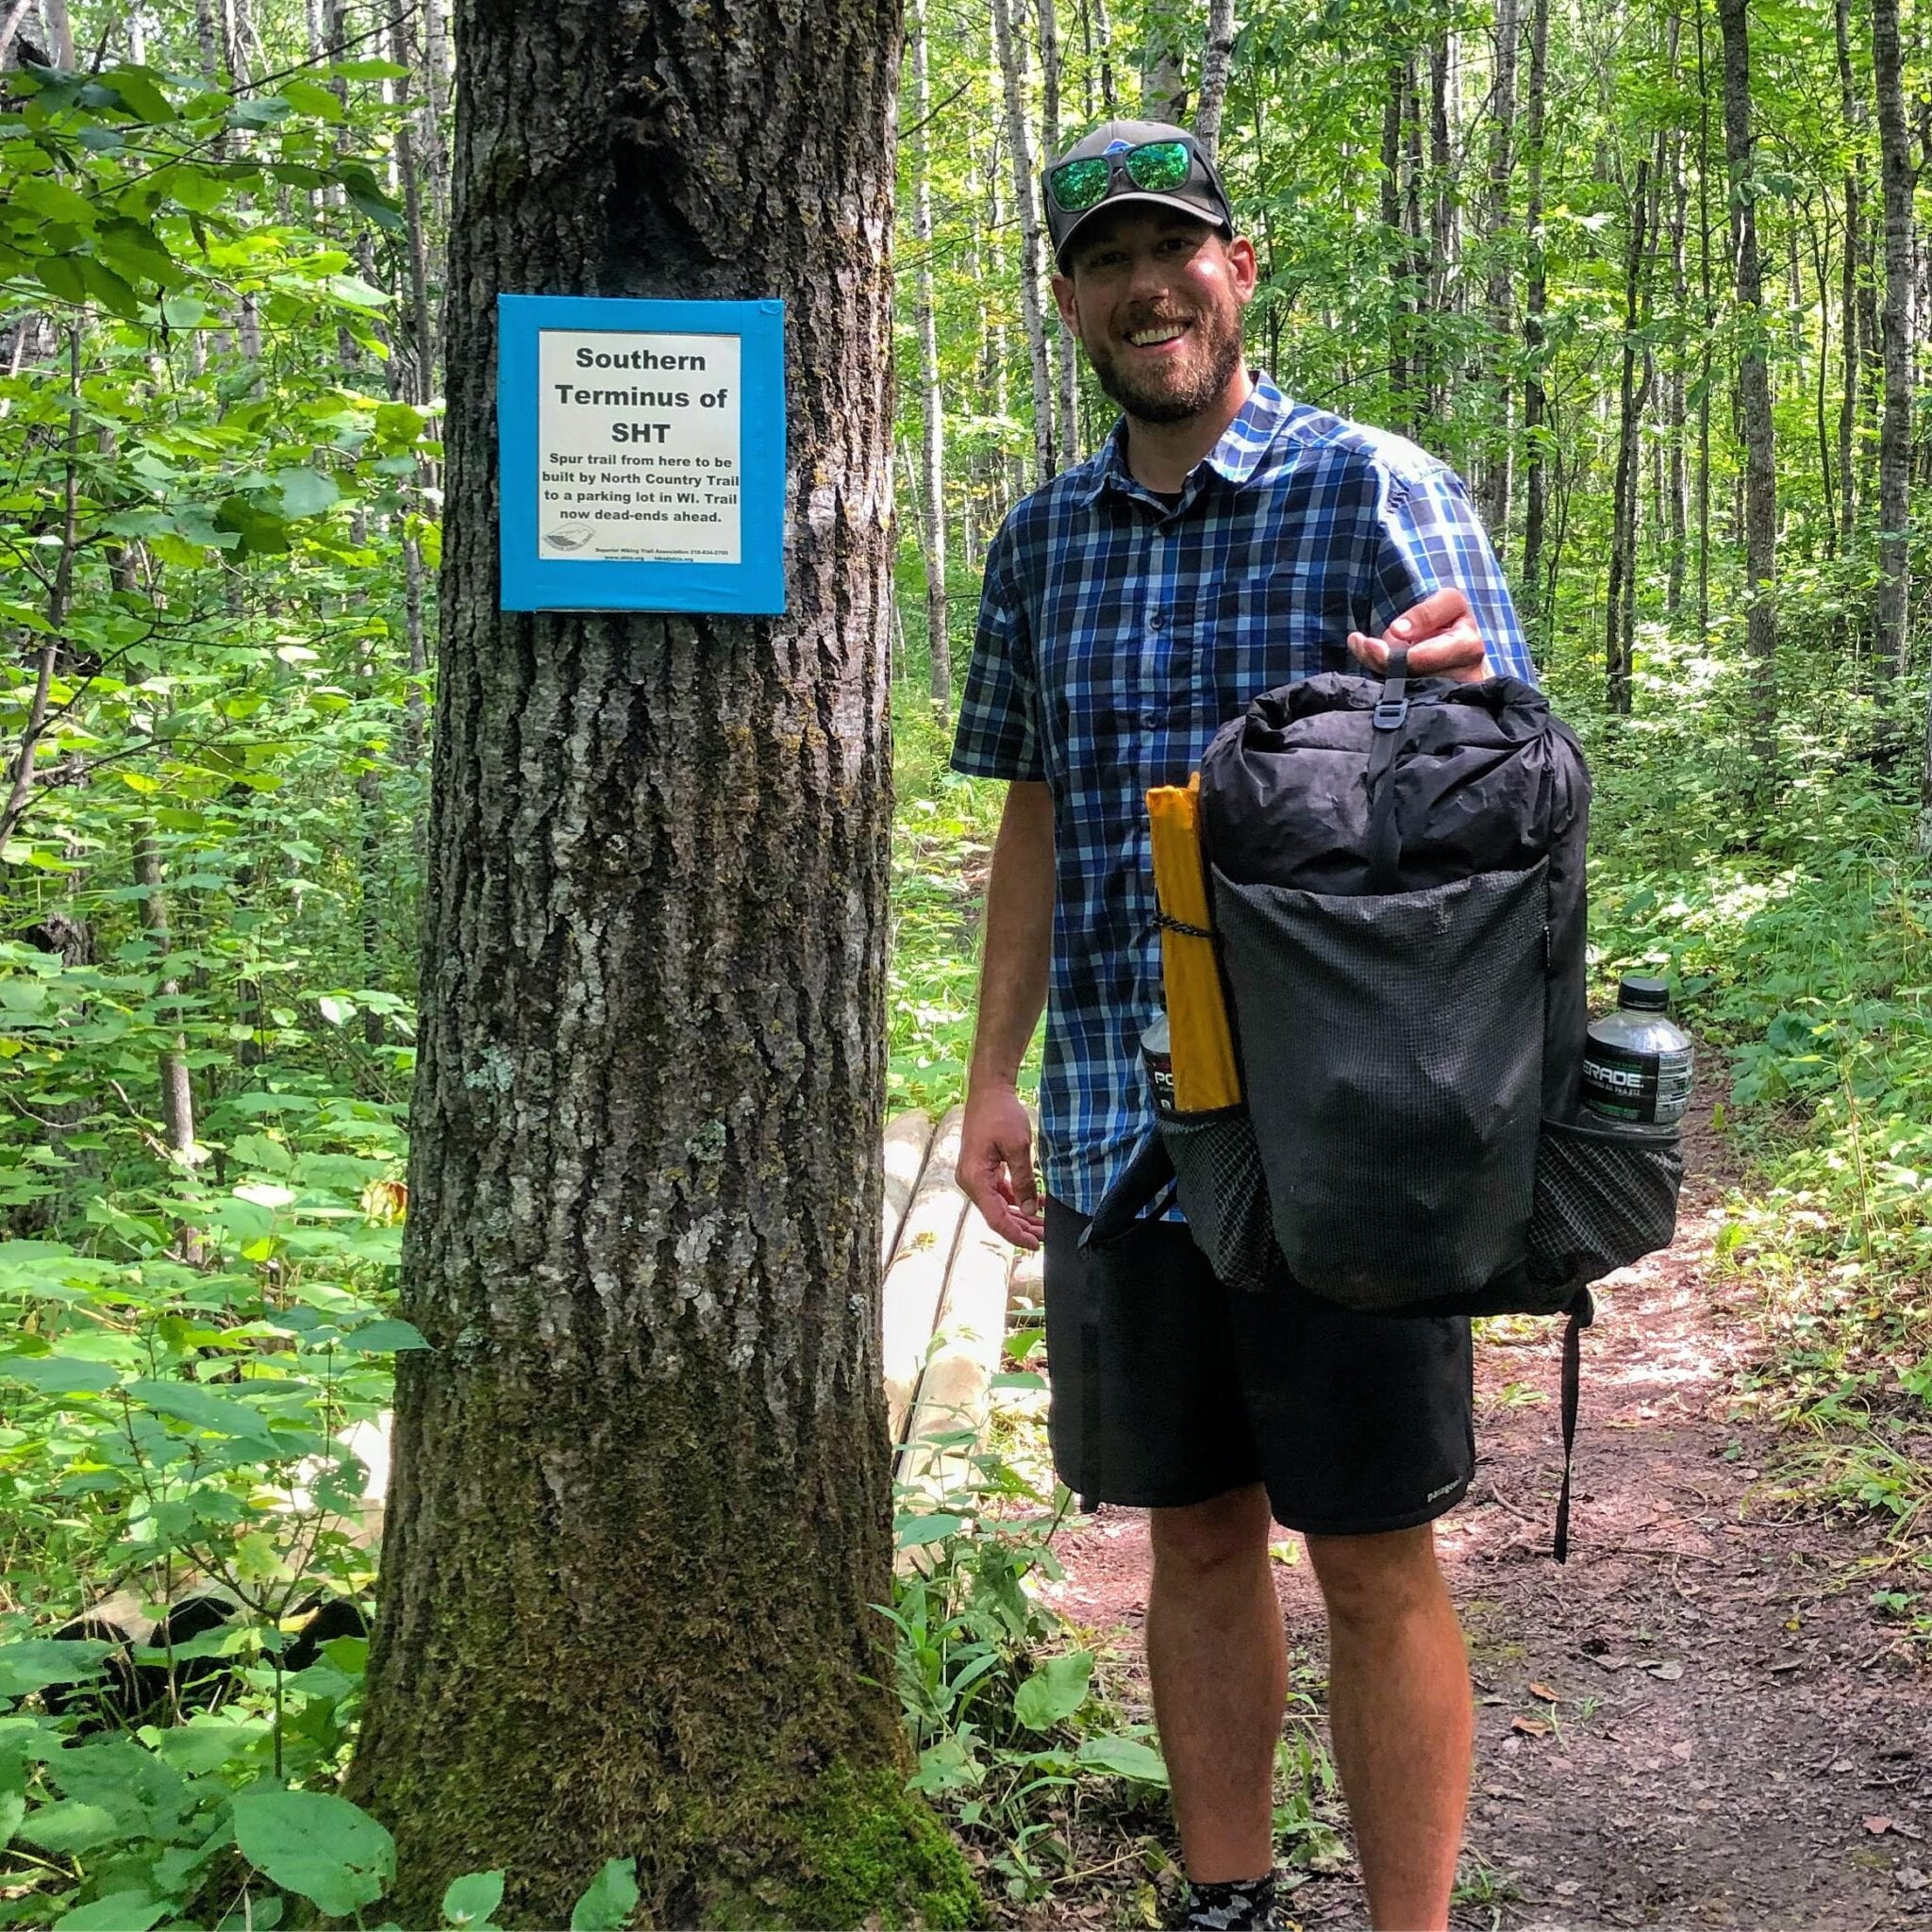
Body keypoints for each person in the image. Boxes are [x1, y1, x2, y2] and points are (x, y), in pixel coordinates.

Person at [949, 120, 1537, 1932]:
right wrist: (989, 1073)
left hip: (1350, 1128)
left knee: (1370, 1546)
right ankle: (1225, 1901)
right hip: (1128, 1114)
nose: (1146, 288)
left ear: (1238, 269)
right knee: (1190, 1531)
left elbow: (1512, 783)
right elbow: (1034, 816)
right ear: (1067, 300)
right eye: (1105, 263)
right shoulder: (1043, 545)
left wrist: (1459, 691)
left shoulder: (1375, 487)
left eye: (1173, 250)